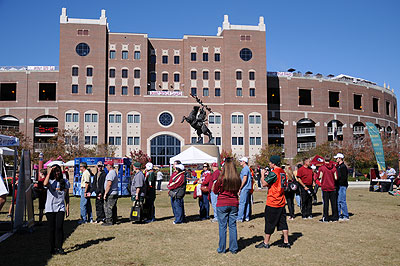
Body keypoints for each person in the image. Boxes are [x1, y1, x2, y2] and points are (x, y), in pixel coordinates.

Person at [256, 155, 290, 249]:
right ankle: (286, 241)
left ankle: (266, 242)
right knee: (283, 222)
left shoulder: (274, 172)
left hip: (273, 201)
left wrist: (262, 174)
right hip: (281, 201)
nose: (269, 164)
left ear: (274, 163)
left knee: (269, 223)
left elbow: (263, 184)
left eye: (270, 162)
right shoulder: (283, 172)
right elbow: (278, 182)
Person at [213, 157, 241, 254]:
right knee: (232, 226)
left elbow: (215, 191)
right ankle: (233, 249)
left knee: (222, 227)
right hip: (233, 203)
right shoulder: (237, 178)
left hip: (222, 203)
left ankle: (222, 249)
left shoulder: (221, 178)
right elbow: (237, 190)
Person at [43, 165, 70, 255]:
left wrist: (67, 207)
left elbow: (66, 195)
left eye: (58, 171)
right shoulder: (50, 181)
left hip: (60, 207)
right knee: (52, 229)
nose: (57, 173)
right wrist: (50, 172)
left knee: (59, 227)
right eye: (55, 172)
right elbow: (44, 183)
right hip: (50, 208)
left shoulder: (65, 182)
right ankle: (52, 247)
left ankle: (60, 247)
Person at [318, 155, 338, 223]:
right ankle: (335, 217)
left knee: (326, 203)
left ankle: (325, 217)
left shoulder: (322, 168)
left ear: (324, 160)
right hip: (332, 187)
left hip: (325, 187)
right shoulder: (334, 168)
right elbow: (336, 178)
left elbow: (319, 177)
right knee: (333, 203)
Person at [102, 161, 119, 226]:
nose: (106, 167)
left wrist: (105, 193)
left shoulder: (111, 173)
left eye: (106, 165)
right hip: (114, 192)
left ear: (110, 166)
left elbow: (109, 184)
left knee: (108, 207)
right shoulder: (113, 172)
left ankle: (109, 221)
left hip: (111, 193)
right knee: (113, 207)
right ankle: (114, 219)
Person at [335, 153, 349, 221]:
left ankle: (345, 215)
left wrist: (338, 182)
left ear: (340, 158)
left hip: (342, 186)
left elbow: (343, 177)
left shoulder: (343, 167)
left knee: (342, 201)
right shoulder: (338, 166)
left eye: (337, 158)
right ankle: (338, 215)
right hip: (338, 186)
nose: (336, 159)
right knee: (338, 201)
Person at [237, 157, 252, 222]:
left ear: (244, 162)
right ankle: (246, 217)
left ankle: (240, 218)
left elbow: (244, 179)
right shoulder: (247, 168)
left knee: (242, 203)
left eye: (241, 161)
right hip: (248, 187)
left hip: (245, 188)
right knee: (247, 202)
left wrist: (240, 187)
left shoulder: (245, 169)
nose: (240, 162)